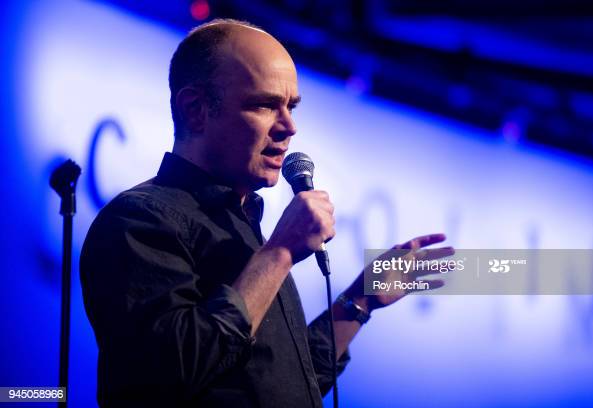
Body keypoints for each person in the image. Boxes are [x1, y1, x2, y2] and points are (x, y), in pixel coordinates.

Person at [80, 18, 453, 407]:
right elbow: (172, 374)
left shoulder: (246, 224)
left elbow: (280, 384)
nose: (289, 126)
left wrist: (359, 300)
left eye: (291, 106)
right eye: (263, 104)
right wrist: (279, 254)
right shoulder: (139, 220)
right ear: (195, 110)